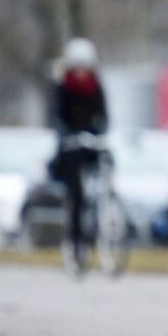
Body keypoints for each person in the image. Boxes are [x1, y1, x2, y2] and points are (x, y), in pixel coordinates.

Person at [48, 38, 109, 250]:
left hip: (91, 141)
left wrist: (100, 133)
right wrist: (66, 135)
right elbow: (56, 116)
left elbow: (103, 115)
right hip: (71, 145)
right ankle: (75, 239)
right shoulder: (63, 88)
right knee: (76, 192)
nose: (82, 72)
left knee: (107, 163)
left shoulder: (95, 87)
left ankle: (105, 214)